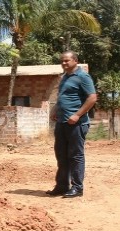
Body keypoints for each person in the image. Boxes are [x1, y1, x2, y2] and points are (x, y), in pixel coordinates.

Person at [47, 50, 97, 198]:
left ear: (75, 61)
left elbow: (92, 98)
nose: (63, 63)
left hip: (77, 123)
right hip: (61, 122)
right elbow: (62, 97)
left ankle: (77, 188)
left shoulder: (82, 77)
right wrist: (54, 109)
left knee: (75, 156)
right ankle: (62, 186)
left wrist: (77, 115)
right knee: (61, 155)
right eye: (62, 61)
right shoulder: (64, 78)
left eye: (66, 61)